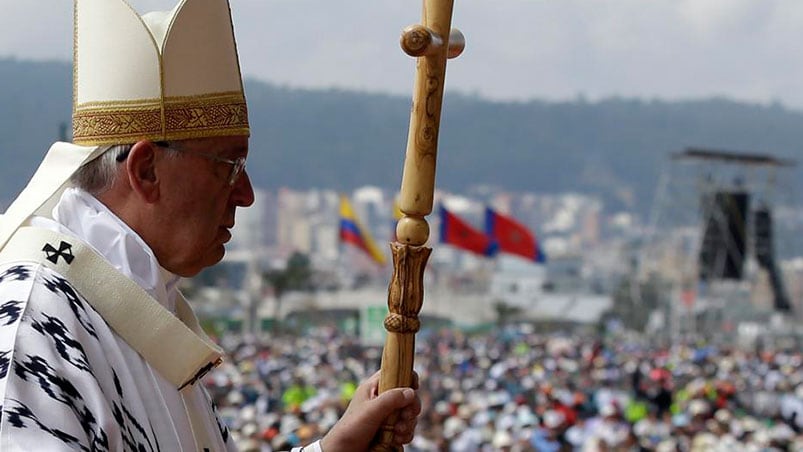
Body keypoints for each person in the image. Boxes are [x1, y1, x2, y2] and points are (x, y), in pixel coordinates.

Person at [0, 0, 420, 450]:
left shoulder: (138, 301)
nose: (246, 194)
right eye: (229, 165)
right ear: (145, 171)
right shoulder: (30, 325)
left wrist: (332, 448)